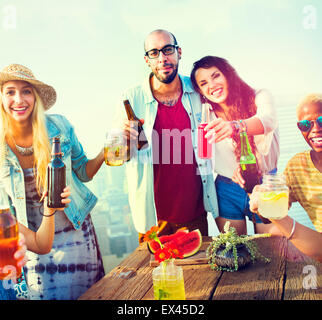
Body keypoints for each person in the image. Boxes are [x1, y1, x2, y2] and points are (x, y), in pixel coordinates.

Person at [0, 64, 105, 300]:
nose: (19, 99)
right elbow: (5, 215)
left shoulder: (59, 126)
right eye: (10, 92)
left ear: (35, 97)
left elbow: (83, 172)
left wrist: (105, 153)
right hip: (34, 241)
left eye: (26, 91)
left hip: (77, 233)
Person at [122, 30, 218, 242]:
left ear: (179, 52)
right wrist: (124, 142)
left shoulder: (198, 90)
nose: (163, 58)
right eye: (154, 53)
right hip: (153, 220)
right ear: (147, 60)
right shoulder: (131, 99)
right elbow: (117, 154)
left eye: (168, 49)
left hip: (196, 214)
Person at [190, 56, 280, 235]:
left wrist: (236, 126)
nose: (212, 85)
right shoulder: (206, 117)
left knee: (274, 249)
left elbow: (268, 121)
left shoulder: (260, 96)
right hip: (227, 189)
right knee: (236, 251)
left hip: (267, 184)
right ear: (200, 91)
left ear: (228, 75)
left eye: (216, 76)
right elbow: (203, 153)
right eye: (204, 83)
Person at [248, 93, 322, 262]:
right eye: (305, 124)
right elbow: (271, 212)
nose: (316, 129)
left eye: (321, 120)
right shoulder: (298, 166)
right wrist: (260, 196)